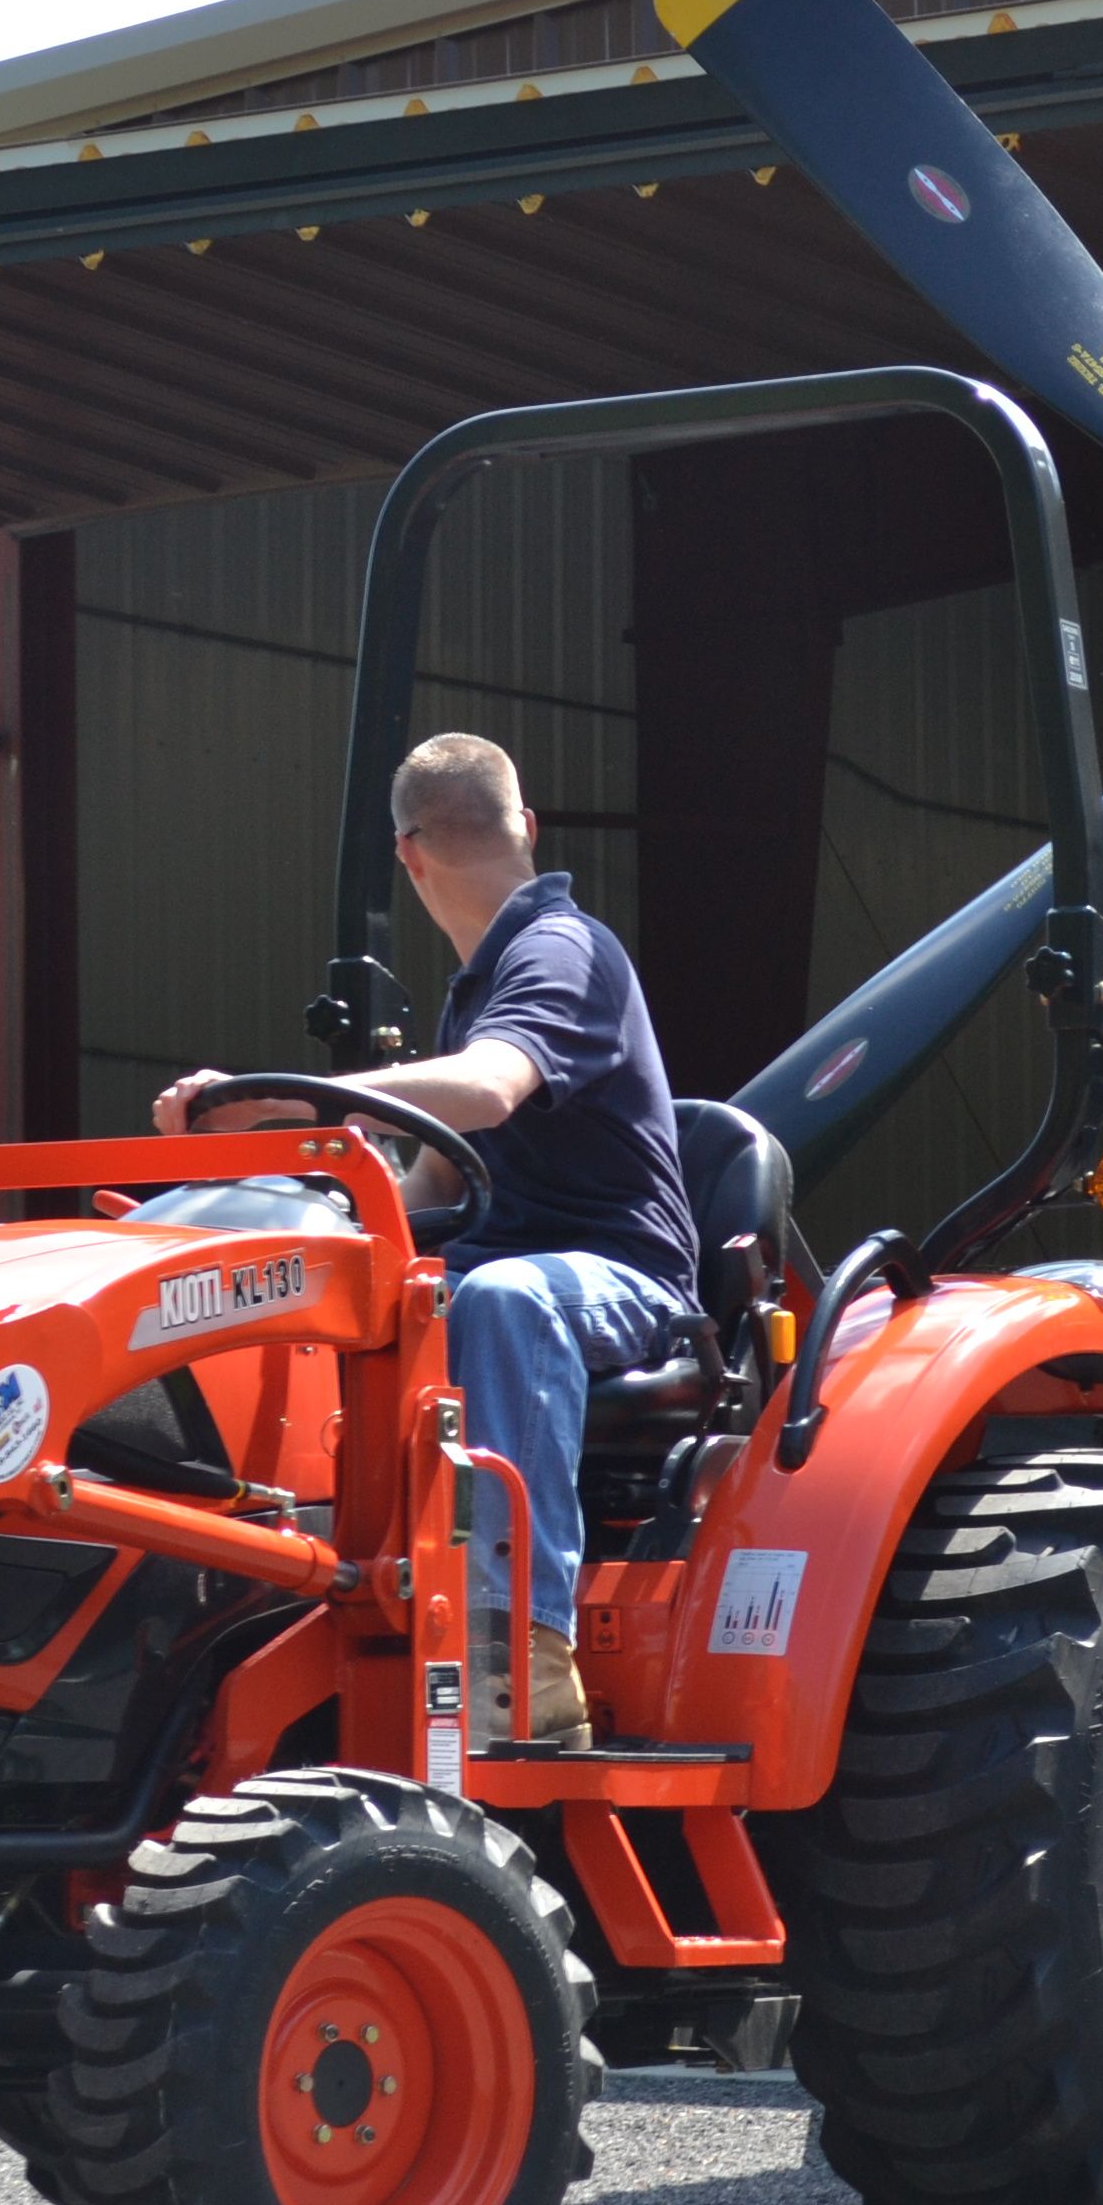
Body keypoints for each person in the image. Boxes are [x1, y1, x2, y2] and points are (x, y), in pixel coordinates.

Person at [155, 734, 697, 1747]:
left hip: (622, 1274)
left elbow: (486, 1091)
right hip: (504, 1262)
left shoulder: (561, 950)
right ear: (525, 824)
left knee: (502, 1299)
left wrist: (279, 1098)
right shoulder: (478, 989)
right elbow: (436, 1185)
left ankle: (518, 1652)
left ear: (406, 854)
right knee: (333, 1284)